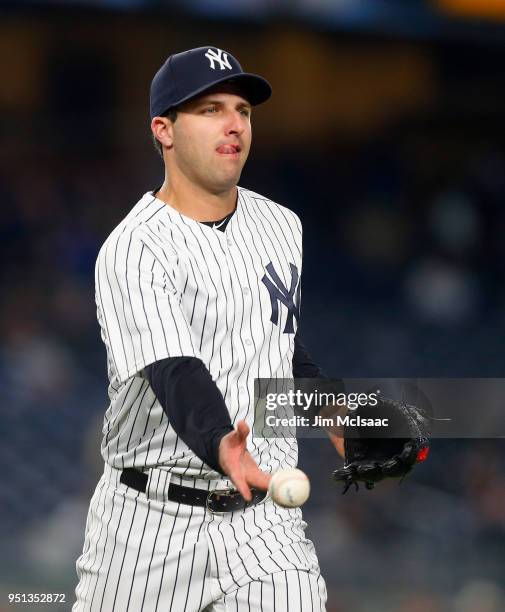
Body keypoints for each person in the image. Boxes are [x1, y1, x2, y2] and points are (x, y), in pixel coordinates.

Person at [73, 46, 341, 612]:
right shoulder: (133, 249)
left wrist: (344, 417)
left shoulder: (281, 225)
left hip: (263, 526)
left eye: (242, 109)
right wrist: (223, 444)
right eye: (210, 109)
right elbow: (176, 372)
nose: (233, 124)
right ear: (163, 130)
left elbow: (279, 350)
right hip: (147, 527)